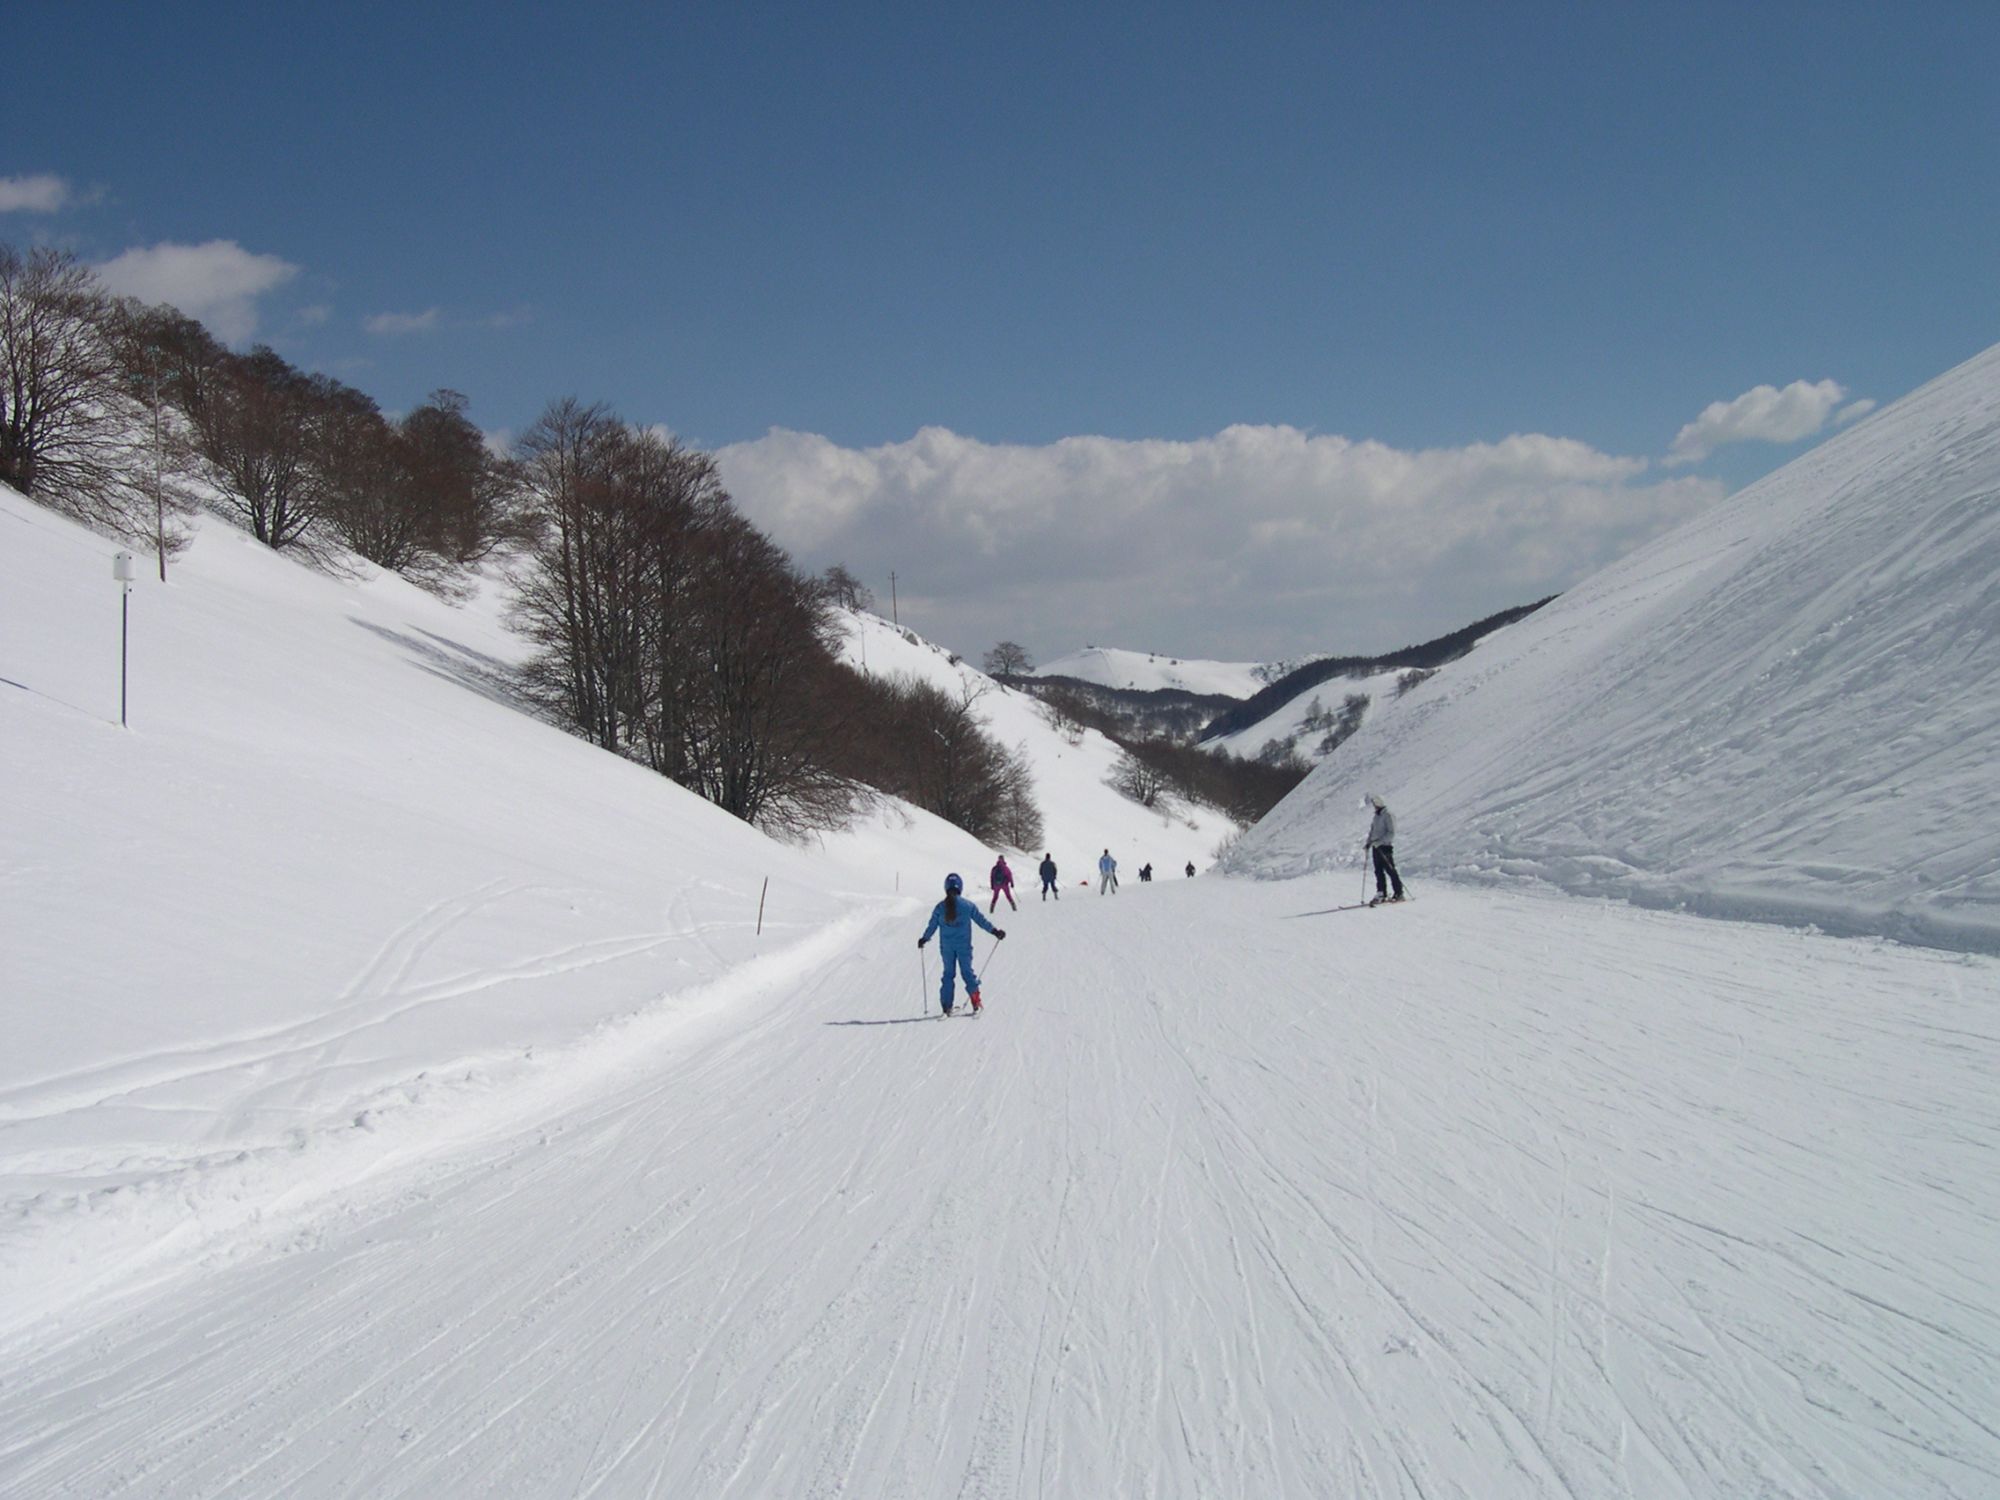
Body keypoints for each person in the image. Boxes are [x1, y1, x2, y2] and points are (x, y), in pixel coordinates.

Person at [918, 873, 1004, 1014]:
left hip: (947, 948)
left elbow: (932, 926)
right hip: (964, 946)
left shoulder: (940, 908)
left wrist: (924, 939)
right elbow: (981, 921)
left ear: (946, 887)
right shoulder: (968, 906)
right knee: (967, 972)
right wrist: (995, 931)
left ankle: (946, 1006)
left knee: (948, 974)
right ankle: (976, 1002)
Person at [1364, 793, 1407, 905]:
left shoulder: (1388, 815)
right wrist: (1369, 842)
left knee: (1390, 870)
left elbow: (1391, 832)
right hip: (1376, 847)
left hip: (1385, 847)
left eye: (1376, 803)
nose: (1375, 805)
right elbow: (1372, 831)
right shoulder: (1376, 816)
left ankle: (1399, 893)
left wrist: (1380, 842)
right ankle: (1381, 892)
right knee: (1378, 871)